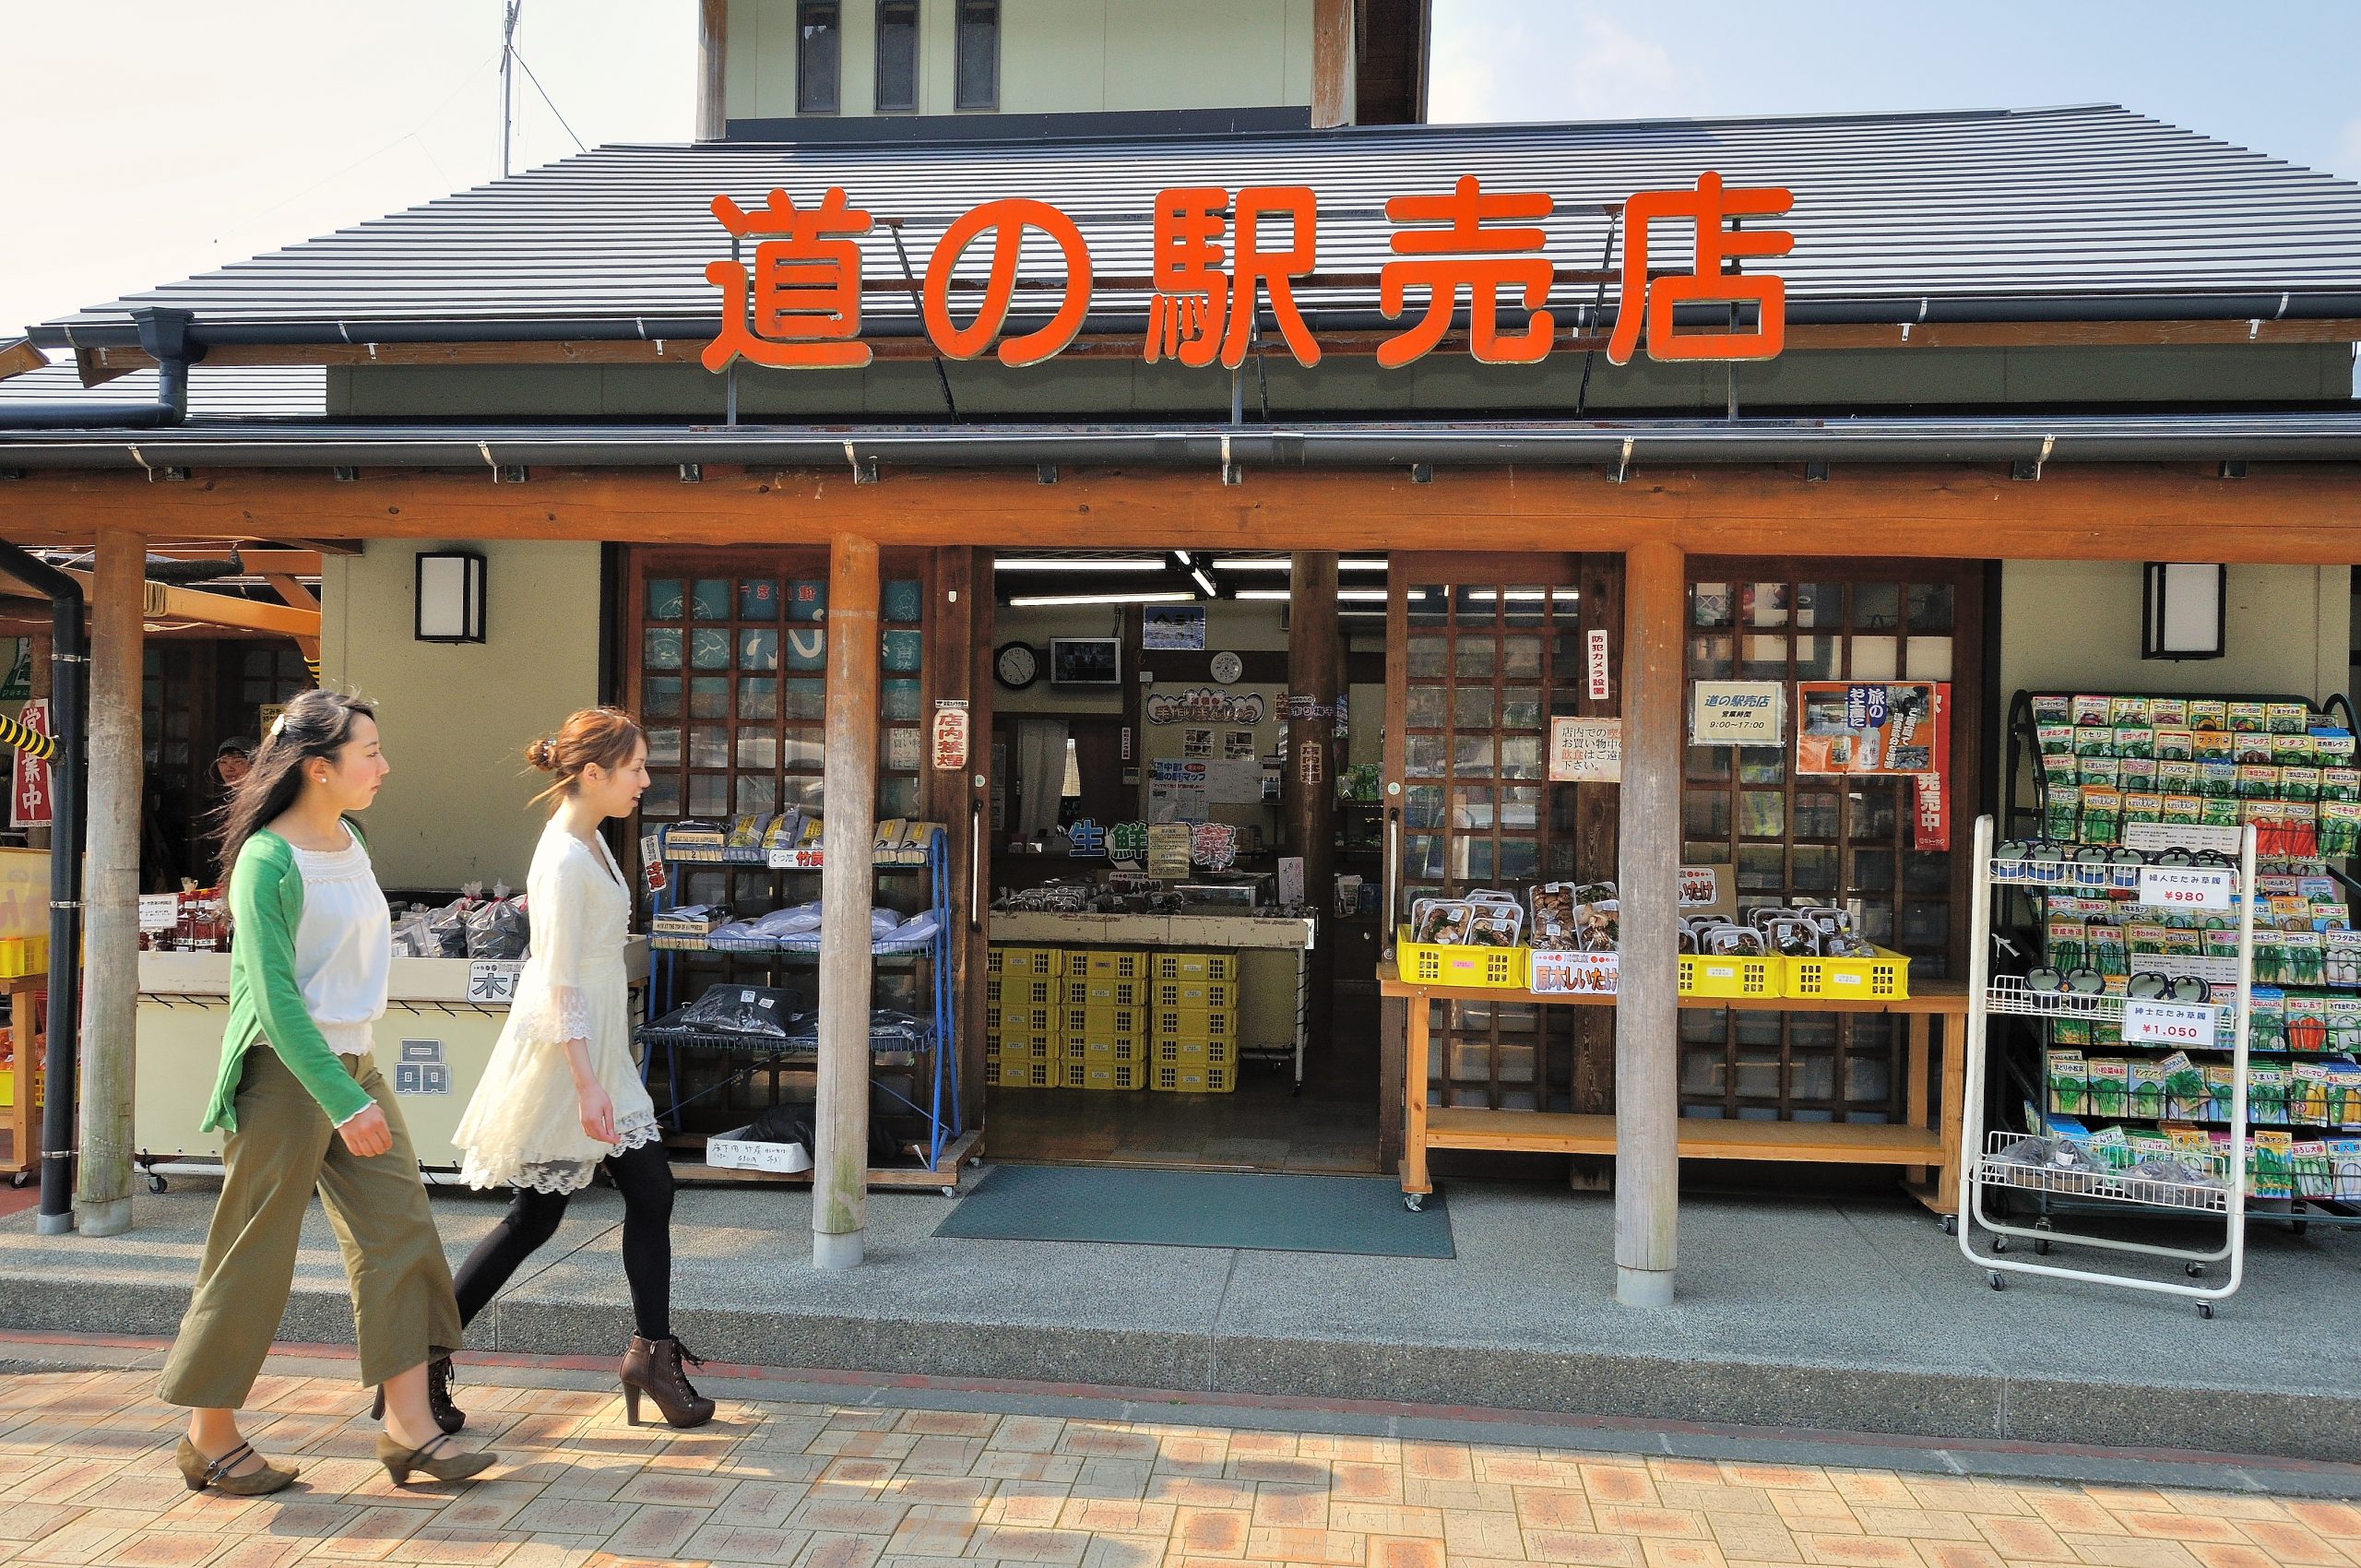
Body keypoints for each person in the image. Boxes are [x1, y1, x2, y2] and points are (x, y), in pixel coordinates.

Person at [159, 689, 497, 1492]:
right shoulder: (266, 860)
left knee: (402, 1233)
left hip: (354, 1062)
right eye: (369, 753)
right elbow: (275, 1001)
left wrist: (355, 1084)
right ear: (319, 767)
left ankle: (411, 1428)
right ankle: (208, 1435)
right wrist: (343, 1101)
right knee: (255, 1251)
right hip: (285, 1076)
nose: (384, 765)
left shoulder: (352, 837)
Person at [449, 708, 713, 1428]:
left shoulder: (589, 838)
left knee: (636, 1195)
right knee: (538, 1216)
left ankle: (650, 1355)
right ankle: (422, 1356)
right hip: (569, 1049)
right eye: (635, 769)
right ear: (593, 773)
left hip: (594, 1042)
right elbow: (558, 978)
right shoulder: (564, 855)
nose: (645, 781)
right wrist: (587, 1081)